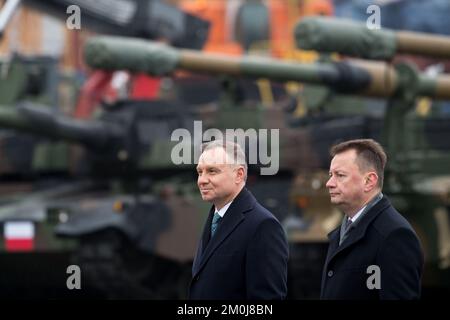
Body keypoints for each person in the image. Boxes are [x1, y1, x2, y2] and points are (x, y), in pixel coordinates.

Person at [321, 139, 423, 300]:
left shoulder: (394, 235)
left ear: (369, 181)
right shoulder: (343, 230)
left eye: (340, 175)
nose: (329, 183)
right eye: (330, 175)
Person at [189, 140, 289, 300]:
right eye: (200, 172)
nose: (202, 180)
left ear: (239, 174)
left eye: (212, 171)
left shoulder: (263, 226)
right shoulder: (215, 217)